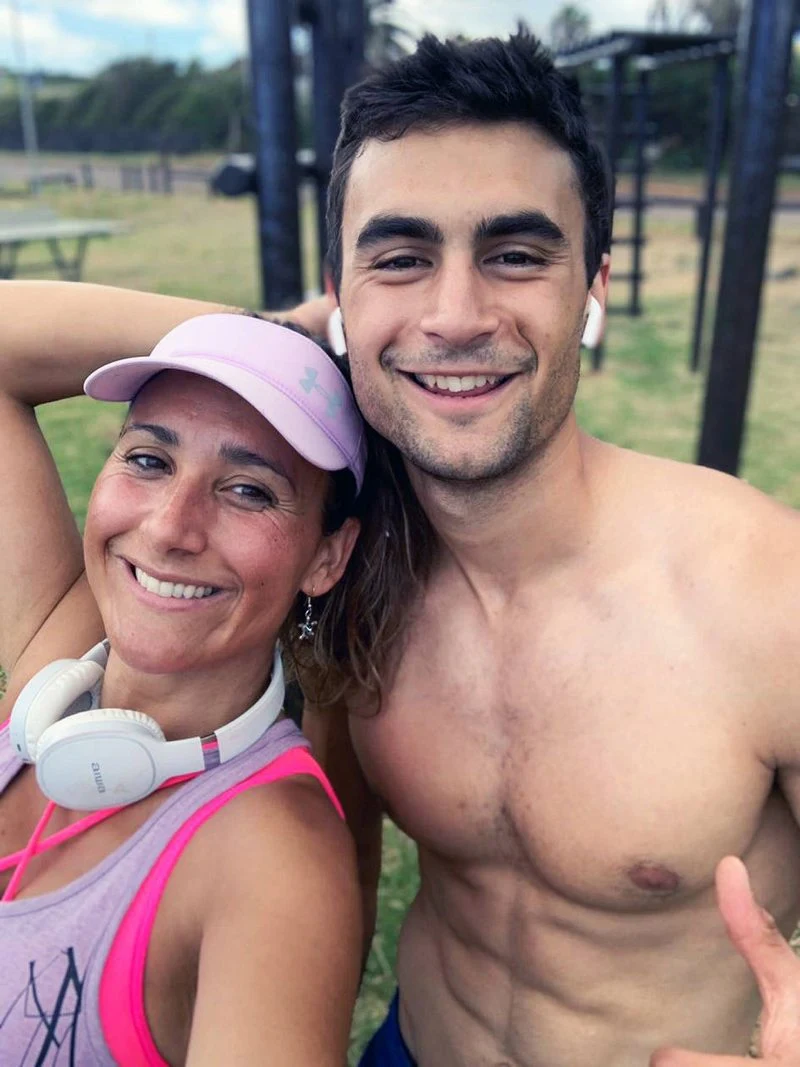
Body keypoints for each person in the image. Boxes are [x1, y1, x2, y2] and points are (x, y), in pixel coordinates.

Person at [2, 29, 800, 1067]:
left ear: (592, 287)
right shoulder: (346, 574)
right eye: (401, 259)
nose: (454, 315)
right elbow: (344, 845)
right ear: (343, 292)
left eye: (515, 255)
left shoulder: (765, 593)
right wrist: (269, 342)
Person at [0, 312, 373, 1065]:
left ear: (326, 557)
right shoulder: (55, 669)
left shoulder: (272, 865)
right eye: (148, 459)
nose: (171, 528)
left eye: (249, 490)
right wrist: (260, 337)